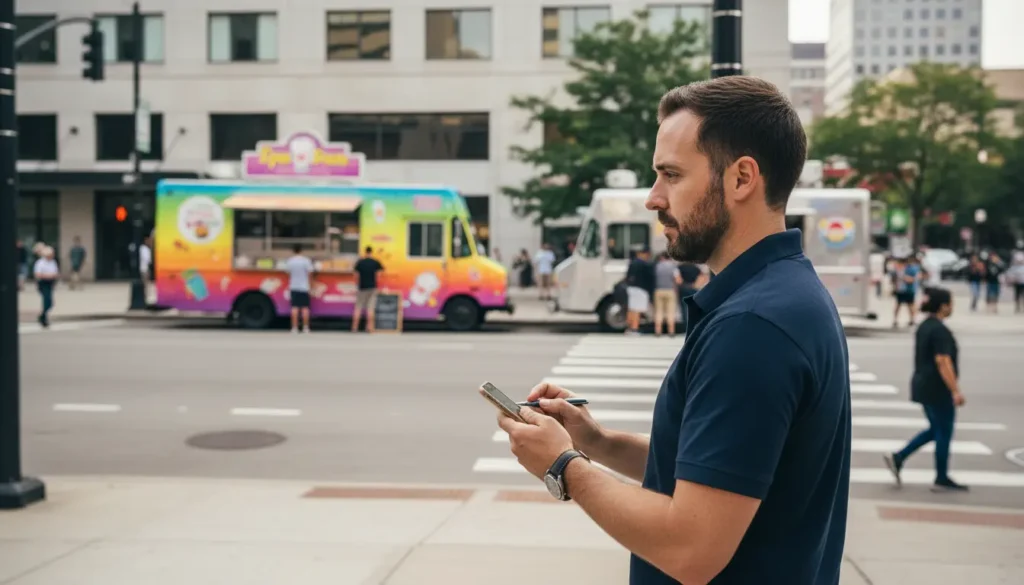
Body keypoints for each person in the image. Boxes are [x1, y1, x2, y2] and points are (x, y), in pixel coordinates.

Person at [498, 76, 850, 585]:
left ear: (742, 178)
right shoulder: (789, 293)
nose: (653, 198)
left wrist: (562, 465)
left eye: (671, 175)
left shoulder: (753, 328)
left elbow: (690, 548)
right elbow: (717, 475)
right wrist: (596, 441)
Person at [883, 287, 968, 492]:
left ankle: (899, 457)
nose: (952, 307)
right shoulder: (940, 330)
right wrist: (955, 390)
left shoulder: (924, 326)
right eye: (950, 303)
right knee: (944, 432)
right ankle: (941, 477)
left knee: (935, 429)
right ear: (943, 305)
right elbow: (943, 361)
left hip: (922, 385)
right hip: (937, 388)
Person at [352, 246, 384, 333]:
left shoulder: (360, 262)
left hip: (361, 287)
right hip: (372, 287)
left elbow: (356, 275)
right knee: (370, 308)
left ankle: (354, 328)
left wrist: (357, 284)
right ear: (371, 252)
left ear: (365, 252)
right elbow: (379, 273)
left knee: (358, 307)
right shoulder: (375, 262)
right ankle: (369, 328)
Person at [285, 244, 314, 333]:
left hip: (294, 286)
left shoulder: (290, 261)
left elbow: (288, 273)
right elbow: (310, 273)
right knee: (305, 308)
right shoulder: (306, 261)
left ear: (293, 251)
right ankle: (306, 328)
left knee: (294, 308)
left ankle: (294, 328)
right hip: (304, 287)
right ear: (301, 251)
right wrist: (311, 285)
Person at [624, 247, 654, 336]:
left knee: (631, 309)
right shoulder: (645, 265)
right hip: (640, 289)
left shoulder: (632, 263)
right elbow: (649, 279)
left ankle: (629, 328)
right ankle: (634, 329)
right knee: (637, 310)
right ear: (645, 254)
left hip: (631, 288)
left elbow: (627, 276)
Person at [652, 252, 682, 337]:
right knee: (670, 311)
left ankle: (658, 331)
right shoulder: (673, 267)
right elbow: (678, 280)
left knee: (658, 311)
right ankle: (671, 331)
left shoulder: (656, 266)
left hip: (658, 290)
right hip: (670, 291)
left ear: (662, 257)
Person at [33, 245, 60, 328]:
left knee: (50, 302)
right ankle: (44, 319)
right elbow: (38, 274)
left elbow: (56, 272)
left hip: (50, 283)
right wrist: (48, 276)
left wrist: (54, 277)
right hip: (43, 283)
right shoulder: (40, 263)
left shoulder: (53, 262)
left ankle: (42, 315)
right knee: (46, 300)